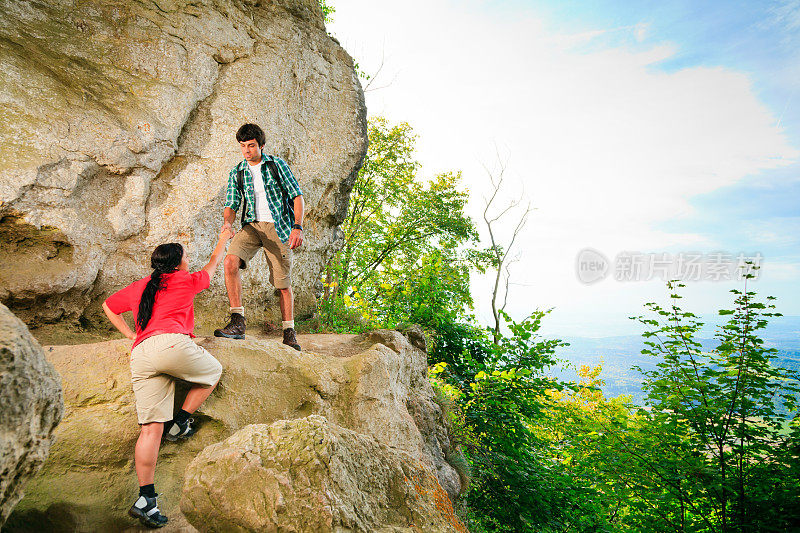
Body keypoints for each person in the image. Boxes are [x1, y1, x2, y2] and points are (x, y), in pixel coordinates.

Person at [102, 228, 232, 528]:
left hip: (142, 353)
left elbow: (109, 306)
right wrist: (223, 237)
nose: (189, 259)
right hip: (171, 345)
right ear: (177, 263)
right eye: (186, 256)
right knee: (213, 371)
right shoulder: (185, 279)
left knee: (150, 429)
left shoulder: (141, 285)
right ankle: (182, 422)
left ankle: (146, 498)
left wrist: (132, 335)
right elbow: (213, 264)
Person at [213, 123, 305, 350]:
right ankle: (237, 322)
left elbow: (297, 196)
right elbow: (231, 203)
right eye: (243, 146)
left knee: (282, 284)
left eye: (251, 146)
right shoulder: (237, 172)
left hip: (279, 227)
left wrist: (297, 227)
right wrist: (228, 222)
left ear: (261, 145)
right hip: (251, 226)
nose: (246, 150)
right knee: (230, 261)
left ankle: (289, 331)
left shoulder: (277, 165)